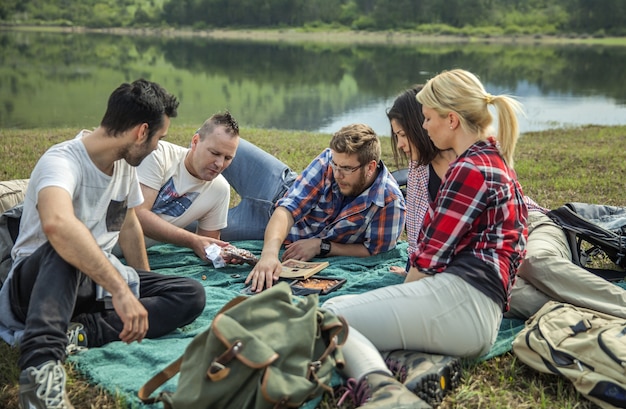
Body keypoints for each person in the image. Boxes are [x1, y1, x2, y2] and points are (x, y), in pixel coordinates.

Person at [321, 69, 528, 409]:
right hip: (480, 313)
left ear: (451, 120)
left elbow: (428, 259)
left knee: (331, 314)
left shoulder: (469, 170)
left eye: (429, 118)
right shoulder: (495, 160)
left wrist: (401, 294)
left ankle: (385, 393)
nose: (426, 127)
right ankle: (419, 365)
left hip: (462, 303)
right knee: (375, 322)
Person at [0, 79, 206, 409]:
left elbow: (127, 224)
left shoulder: (124, 166)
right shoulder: (62, 161)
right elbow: (58, 224)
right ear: (141, 132)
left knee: (190, 295)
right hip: (39, 285)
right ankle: (40, 373)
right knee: (68, 245)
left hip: (96, 285)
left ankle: (81, 334)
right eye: (159, 138)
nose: (158, 147)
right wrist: (122, 292)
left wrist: (137, 287)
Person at [246, 123, 406, 292]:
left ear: (370, 167)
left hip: (262, 225)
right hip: (277, 187)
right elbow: (287, 209)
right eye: (335, 165)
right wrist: (269, 255)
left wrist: (322, 246)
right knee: (222, 136)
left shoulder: (390, 201)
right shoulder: (329, 161)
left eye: (346, 168)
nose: (337, 174)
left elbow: (373, 249)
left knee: (218, 228)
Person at [134, 111, 240, 262]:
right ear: (195, 142)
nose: (219, 164)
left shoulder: (220, 190)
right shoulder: (159, 155)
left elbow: (207, 248)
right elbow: (138, 215)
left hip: (132, 257)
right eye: (215, 153)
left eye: (227, 158)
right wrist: (192, 240)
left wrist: (223, 255)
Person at [220, 137, 298, 241]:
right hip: (279, 183)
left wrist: (323, 246)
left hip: (270, 226)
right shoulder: (326, 160)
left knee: (192, 222)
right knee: (211, 139)